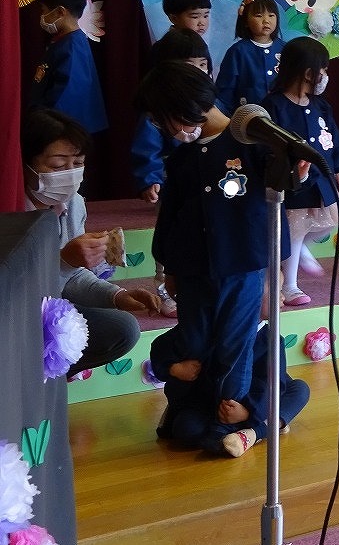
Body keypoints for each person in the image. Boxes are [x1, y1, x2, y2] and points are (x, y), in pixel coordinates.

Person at [135, 62, 283, 410]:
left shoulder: (251, 142)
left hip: (242, 268)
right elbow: (170, 217)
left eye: (162, 120)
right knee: (194, 342)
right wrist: (170, 268)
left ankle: (232, 411)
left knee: (235, 344)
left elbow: (275, 206)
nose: (164, 129)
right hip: (193, 271)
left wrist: (275, 269)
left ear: (183, 108)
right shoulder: (182, 158)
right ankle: (193, 410)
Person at [22, 110, 158, 374]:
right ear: (25, 164)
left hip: (49, 305)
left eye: (78, 163)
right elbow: (15, 291)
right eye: (58, 166)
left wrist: (117, 296)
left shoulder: (74, 204)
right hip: (14, 314)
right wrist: (64, 261)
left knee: (123, 329)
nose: (70, 174)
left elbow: (73, 278)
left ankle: (50, 375)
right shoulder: (10, 210)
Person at [130, 28, 214, 318]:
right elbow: (147, 149)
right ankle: (163, 288)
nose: (198, 72)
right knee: (169, 238)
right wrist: (150, 179)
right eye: (189, 65)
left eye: (203, 65)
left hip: (205, 188)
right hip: (172, 184)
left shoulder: (212, 105)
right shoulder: (159, 112)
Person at [260, 36, 339, 305]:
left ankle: (301, 252)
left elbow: (333, 138)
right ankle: (290, 285)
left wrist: (338, 167)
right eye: (323, 69)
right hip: (293, 183)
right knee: (294, 231)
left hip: (321, 179)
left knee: (328, 222)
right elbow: (266, 147)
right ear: (308, 72)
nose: (325, 76)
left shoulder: (320, 106)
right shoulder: (273, 106)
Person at [155, 323, 310, 459]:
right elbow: (161, 347)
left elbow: (272, 386)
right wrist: (174, 369)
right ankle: (274, 424)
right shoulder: (212, 326)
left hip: (256, 402)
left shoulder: (272, 338)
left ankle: (255, 433)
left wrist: (249, 412)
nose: (281, 301)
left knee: (300, 389)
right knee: (187, 430)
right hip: (214, 405)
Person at [28, 0, 107, 134]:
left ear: (60, 12)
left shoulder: (72, 47)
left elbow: (65, 98)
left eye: (43, 10)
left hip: (60, 131)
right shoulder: (64, 41)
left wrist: (40, 123)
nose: (42, 16)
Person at [215, 0, 283, 113]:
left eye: (271, 15)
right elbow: (225, 90)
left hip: (280, 115)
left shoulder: (285, 48)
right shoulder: (237, 51)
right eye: (259, 16)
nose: (266, 20)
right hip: (246, 116)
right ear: (246, 21)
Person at [146, 0, 212, 70]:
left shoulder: (200, 44)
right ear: (174, 18)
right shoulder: (164, 47)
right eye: (195, 17)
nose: (202, 23)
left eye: (205, 16)